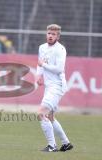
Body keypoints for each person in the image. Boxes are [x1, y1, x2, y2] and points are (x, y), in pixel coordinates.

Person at [36, 24, 73, 152]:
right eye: (49, 33)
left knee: (41, 113)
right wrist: (39, 75)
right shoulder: (42, 47)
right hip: (49, 86)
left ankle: (52, 146)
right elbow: (39, 63)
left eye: (53, 34)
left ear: (58, 36)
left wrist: (43, 65)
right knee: (50, 117)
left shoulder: (60, 49)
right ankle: (66, 143)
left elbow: (59, 69)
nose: (50, 36)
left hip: (57, 86)